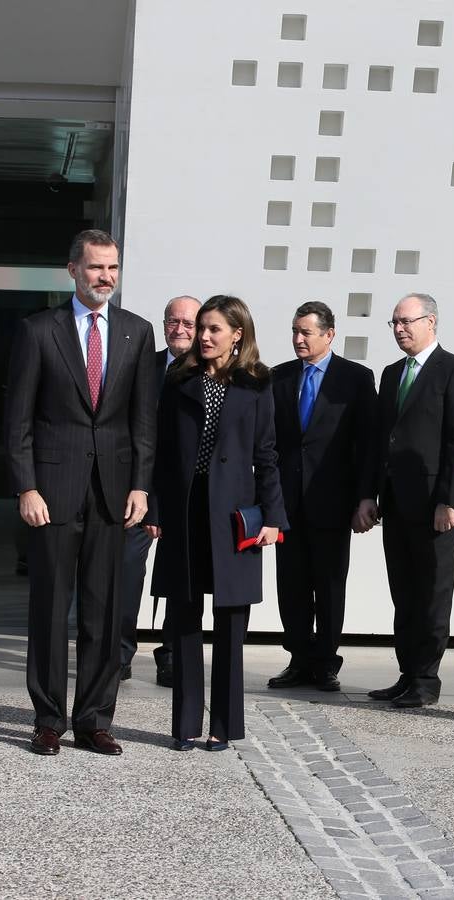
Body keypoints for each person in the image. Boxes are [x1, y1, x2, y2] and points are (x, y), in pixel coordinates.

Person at [4, 229, 156, 756]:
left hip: (113, 492)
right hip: (52, 491)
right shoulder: (39, 331)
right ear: (73, 270)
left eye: (113, 268)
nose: (105, 278)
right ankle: (48, 717)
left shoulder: (138, 333)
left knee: (105, 611)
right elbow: (18, 419)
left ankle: (94, 718)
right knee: (49, 609)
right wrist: (26, 486)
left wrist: (141, 485)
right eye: (96, 268)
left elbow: (142, 422)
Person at [146, 295, 285, 751]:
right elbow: (161, 453)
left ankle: (223, 725)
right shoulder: (178, 378)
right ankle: (185, 725)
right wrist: (155, 511)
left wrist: (273, 517)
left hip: (234, 516)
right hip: (185, 511)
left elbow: (266, 454)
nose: (202, 337)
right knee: (183, 620)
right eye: (201, 328)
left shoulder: (257, 382)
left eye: (214, 330)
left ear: (237, 334)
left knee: (230, 624)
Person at [358, 293, 454, 709]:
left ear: (431, 321)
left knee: (432, 592)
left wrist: (450, 499)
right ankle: (407, 673)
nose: (399, 329)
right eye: (393, 323)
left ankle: (427, 680)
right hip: (396, 502)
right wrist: (368, 494)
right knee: (404, 592)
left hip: (436, 505)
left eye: (406, 321)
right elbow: (379, 440)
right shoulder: (392, 374)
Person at [268, 301, 376, 692]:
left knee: (329, 584)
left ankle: (326, 661)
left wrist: (366, 497)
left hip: (333, 501)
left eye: (306, 332)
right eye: (295, 331)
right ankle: (298, 658)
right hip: (287, 502)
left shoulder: (356, 379)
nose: (298, 339)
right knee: (291, 584)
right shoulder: (277, 377)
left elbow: (367, 444)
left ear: (329, 335)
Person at [118, 294, 201, 687]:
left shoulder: (212, 371)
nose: (180, 329)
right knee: (125, 575)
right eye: (173, 321)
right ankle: (118, 655)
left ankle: (171, 655)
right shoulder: (142, 364)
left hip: (187, 498)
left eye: (188, 323)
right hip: (139, 493)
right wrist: (146, 497)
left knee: (180, 582)